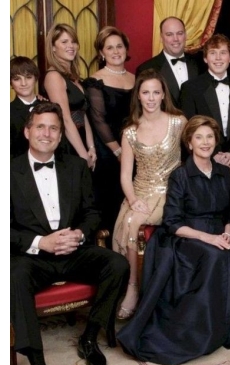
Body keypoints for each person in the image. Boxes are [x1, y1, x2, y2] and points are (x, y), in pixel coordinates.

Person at [11, 102, 129, 365]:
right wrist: (41, 242)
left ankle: (89, 338)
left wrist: (78, 234)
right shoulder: (8, 171)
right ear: (27, 132)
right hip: (33, 257)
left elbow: (92, 213)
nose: (47, 133)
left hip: (72, 251)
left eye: (54, 128)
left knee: (117, 264)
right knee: (13, 276)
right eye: (40, 126)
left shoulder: (75, 166)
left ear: (61, 135)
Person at [117, 115, 230, 365]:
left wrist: (227, 233)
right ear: (189, 143)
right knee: (214, 256)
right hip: (188, 237)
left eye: (210, 137)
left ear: (216, 141)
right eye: (199, 137)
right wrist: (208, 238)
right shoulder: (180, 175)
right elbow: (172, 222)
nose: (205, 142)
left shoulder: (225, 173)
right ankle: (201, 331)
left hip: (220, 234)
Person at [112, 69, 185, 320]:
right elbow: (125, 175)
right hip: (139, 192)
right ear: (138, 96)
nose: (151, 98)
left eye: (156, 92)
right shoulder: (130, 131)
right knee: (129, 220)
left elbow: (197, 150)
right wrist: (133, 200)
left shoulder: (178, 122)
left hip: (170, 193)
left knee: (134, 223)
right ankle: (131, 286)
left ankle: (136, 289)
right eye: (146, 93)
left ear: (163, 95)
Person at [85, 26, 135, 240]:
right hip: (109, 152)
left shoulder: (136, 78)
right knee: (112, 203)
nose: (116, 51)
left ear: (126, 49)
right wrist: (118, 151)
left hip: (134, 148)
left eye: (119, 46)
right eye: (109, 47)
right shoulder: (95, 81)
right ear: (101, 52)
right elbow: (98, 120)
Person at [179, 34, 230, 168]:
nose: (218, 58)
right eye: (213, 53)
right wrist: (213, 153)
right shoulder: (190, 88)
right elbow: (190, 128)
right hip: (204, 158)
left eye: (223, 53)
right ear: (205, 58)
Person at [43, 23, 97, 169]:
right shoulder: (54, 76)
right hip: (68, 145)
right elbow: (66, 119)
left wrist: (91, 147)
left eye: (73, 42)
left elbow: (83, 114)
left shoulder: (73, 77)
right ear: (53, 47)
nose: (71, 46)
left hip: (82, 142)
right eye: (64, 42)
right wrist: (83, 155)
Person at [136, 16, 201, 107]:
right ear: (161, 37)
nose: (175, 39)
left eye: (179, 33)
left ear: (185, 35)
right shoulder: (146, 68)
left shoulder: (200, 63)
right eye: (169, 34)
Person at [10, 56, 44, 158]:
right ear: (10, 83)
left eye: (28, 77)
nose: (23, 83)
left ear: (35, 79)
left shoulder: (50, 107)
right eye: (17, 79)